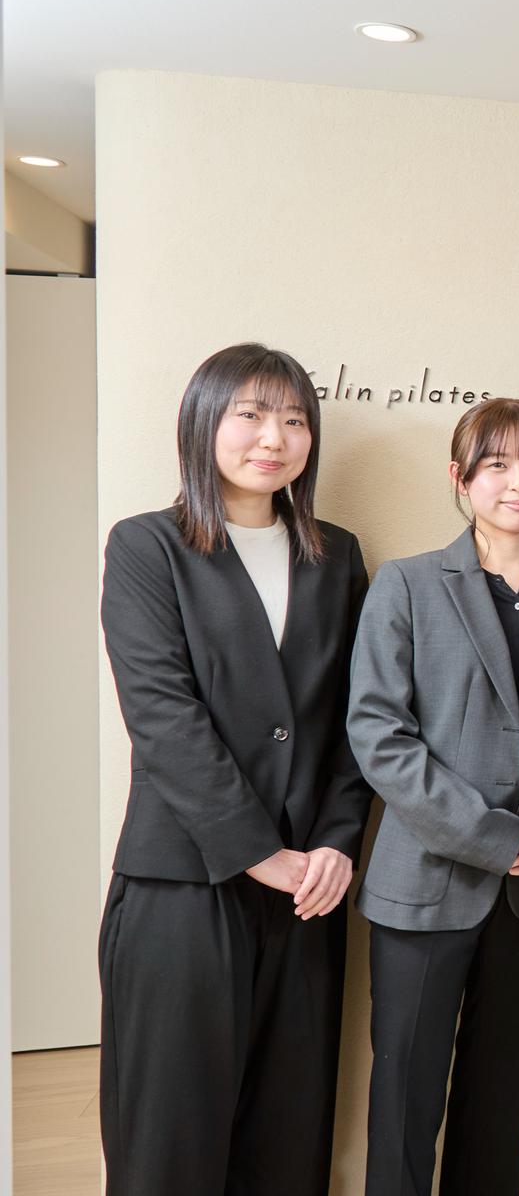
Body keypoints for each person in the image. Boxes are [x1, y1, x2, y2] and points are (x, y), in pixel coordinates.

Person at [98, 342, 370, 1196]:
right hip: (184, 883)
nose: (274, 437)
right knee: (168, 1144)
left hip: (307, 891)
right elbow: (162, 717)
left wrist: (335, 844)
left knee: (287, 1142)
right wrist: (260, 852)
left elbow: (355, 720)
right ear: (203, 423)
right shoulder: (148, 546)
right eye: (250, 414)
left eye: (294, 419)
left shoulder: (337, 556)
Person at [346, 397, 519, 1196]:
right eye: (497, 465)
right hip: (424, 885)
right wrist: (493, 837)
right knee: (404, 1103)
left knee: (500, 1103)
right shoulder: (407, 584)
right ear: (460, 479)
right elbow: (379, 734)